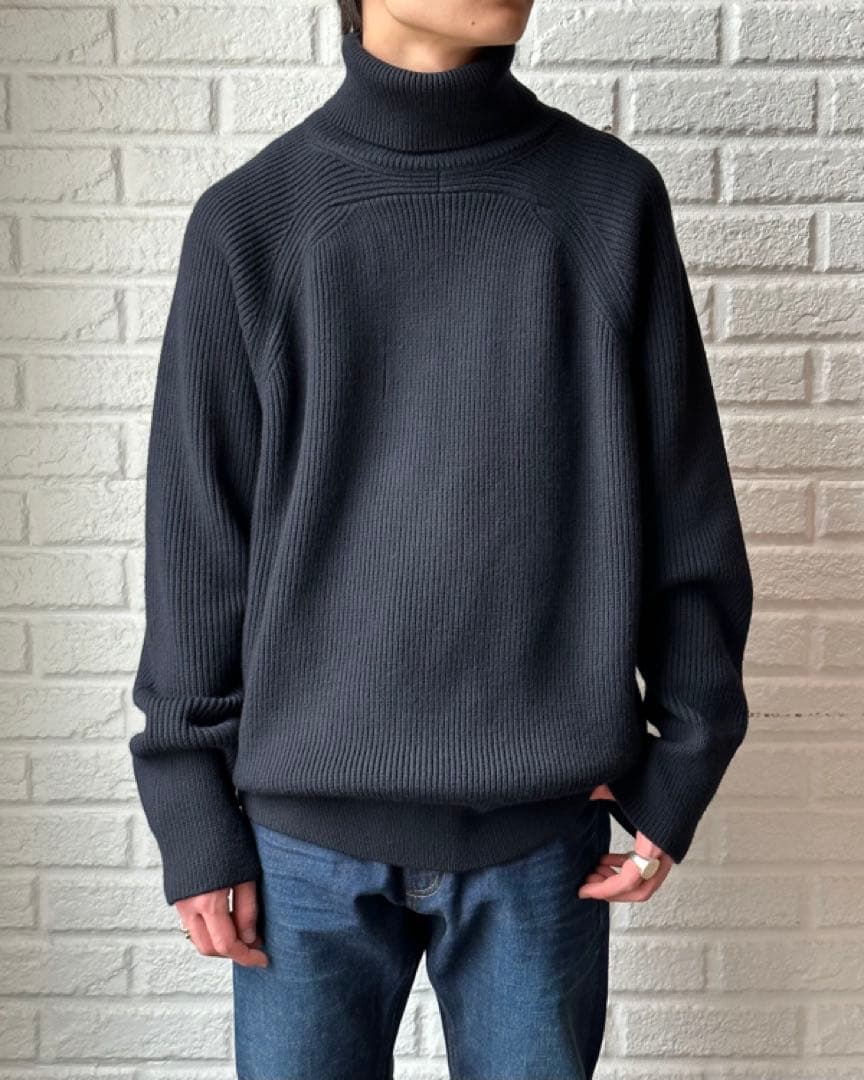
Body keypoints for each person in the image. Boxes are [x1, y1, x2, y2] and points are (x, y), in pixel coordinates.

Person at [128, 0, 754, 1076]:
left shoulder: (609, 203)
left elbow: (685, 508)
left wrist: (684, 761)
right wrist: (191, 808)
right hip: (298, 852)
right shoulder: (251, 222)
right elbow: (197, 542)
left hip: (538, 840)